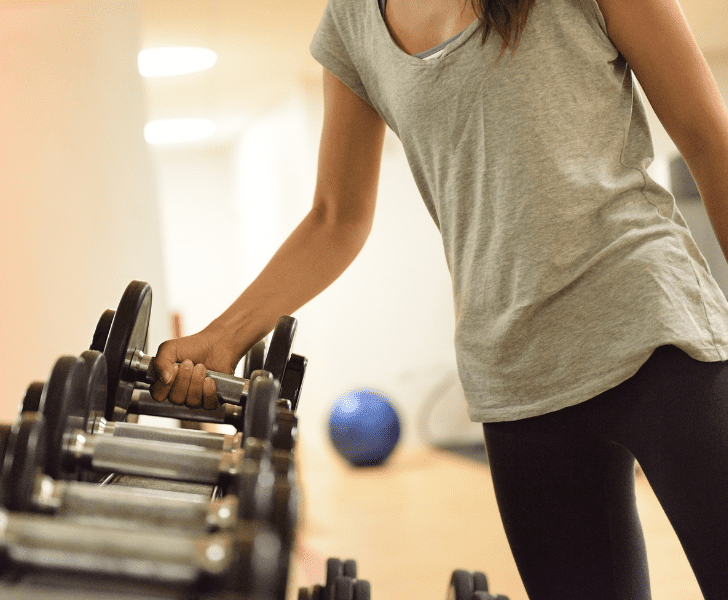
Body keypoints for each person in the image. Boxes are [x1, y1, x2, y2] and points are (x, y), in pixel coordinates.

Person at [150, 0, 728, 597]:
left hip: (655, 330)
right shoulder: (353, 23)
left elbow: (710, 140)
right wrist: (220, 340)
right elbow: (335, 218)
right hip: (513, 373)